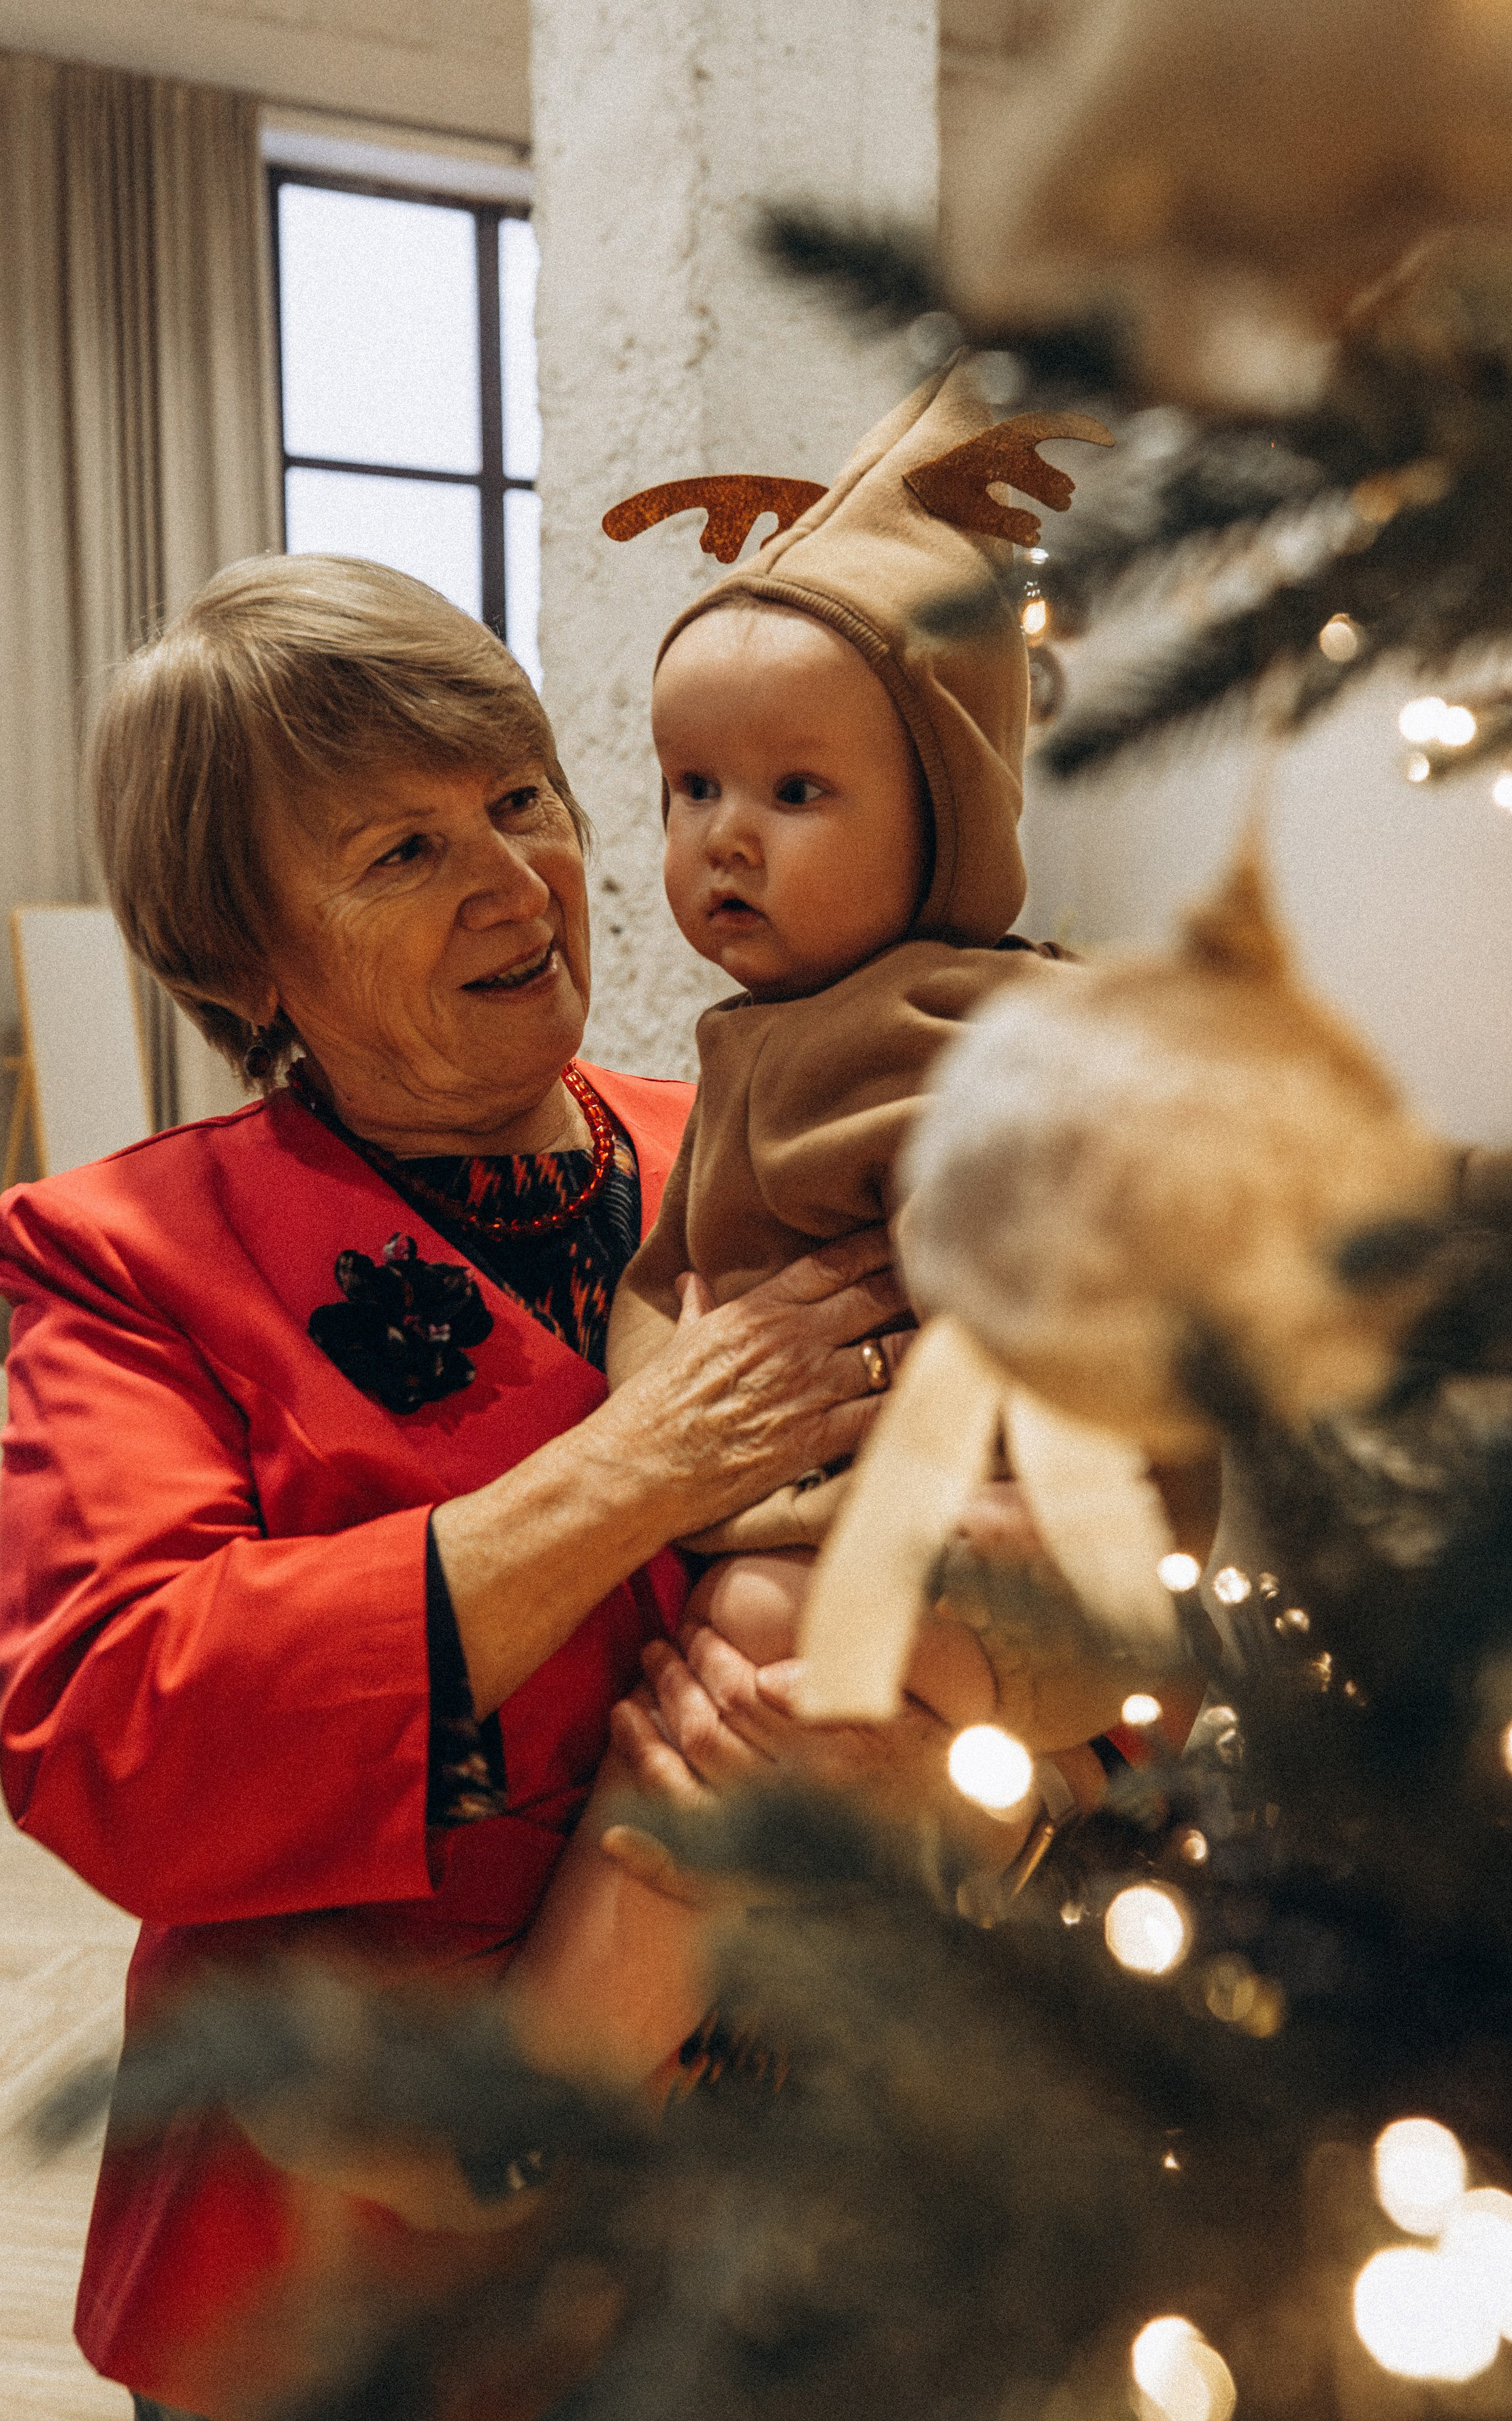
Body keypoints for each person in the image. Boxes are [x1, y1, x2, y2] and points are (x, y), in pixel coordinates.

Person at [0, 555, 941, 2421]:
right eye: (398, 853)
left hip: (788, 2221)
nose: (517, 880)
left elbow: (1044, 1523)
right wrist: (642, 1466)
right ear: (245, 958)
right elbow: (117, 1721)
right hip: (354, 2265)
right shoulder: (127, 1257)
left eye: (520, 799)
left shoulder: (765, 1151)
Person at [500, 364, 1204, 2085]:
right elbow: (673, 1281)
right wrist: (656, 1412)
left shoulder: (971, 1038)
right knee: (729, 1673)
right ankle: (720, 2059)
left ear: (946, 809)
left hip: (1007, 1541)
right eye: (688, 790)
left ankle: (550, 2080)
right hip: (855, 1532)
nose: (723, 838)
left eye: (795, 793)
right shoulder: (762, 1043)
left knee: (741, 1656)